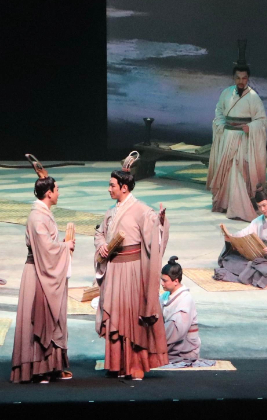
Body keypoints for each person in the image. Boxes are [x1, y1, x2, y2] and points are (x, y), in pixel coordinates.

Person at [94, 159, 170, 380]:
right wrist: (102, 244)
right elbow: (99, 232)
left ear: (124, 188)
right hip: (114, 269)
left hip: (133, 269)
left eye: (112, 185)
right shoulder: (110, 211)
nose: (109, 189)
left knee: (131, 317)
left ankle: (134, 366)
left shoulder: (142, 210)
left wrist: (161, 222)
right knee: (115, 315)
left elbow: (154, 235)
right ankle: (117, 365)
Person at [11, 175, 74, 383]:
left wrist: (61, 246)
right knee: (40, 315)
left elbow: (47, 245)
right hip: (38, 272)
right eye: (57, 189)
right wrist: (65, 246)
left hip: (43, 269)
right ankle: (38, 368)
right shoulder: (37, 217)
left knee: (52, 316)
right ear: (49, 193)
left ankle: (52, 366)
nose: (59, 193)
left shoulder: (43, 213)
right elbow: (45, 248)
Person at [206, 64, 267, 222]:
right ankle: (225, 203)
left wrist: (251, 127)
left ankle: (241, 205)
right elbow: (219, 111)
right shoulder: (226, 93)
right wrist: (221, 125)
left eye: (244, 78)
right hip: (228, 136)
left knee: (240, 169)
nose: (241, 81)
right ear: (233, 78)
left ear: (248, 79)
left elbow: (262, 120)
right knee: (226, 169)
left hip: (243, 137)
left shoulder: (253, 97)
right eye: (238, 78)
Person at [215, 187, 267, 288]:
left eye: (264, 205)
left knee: (263, 271)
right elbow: (244, 233)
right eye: (259, 207)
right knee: (230, 259)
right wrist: (231, 238)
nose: (262, 209)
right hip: (259, 256)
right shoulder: (259, 220)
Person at [159, 256, 214, 368]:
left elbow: (177, 330)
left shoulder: (185, 299)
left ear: (176, 281)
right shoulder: (165, 296)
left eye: (165, 281)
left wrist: (154, 341)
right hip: (169, 339)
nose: (162, 283)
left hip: (184, 347)